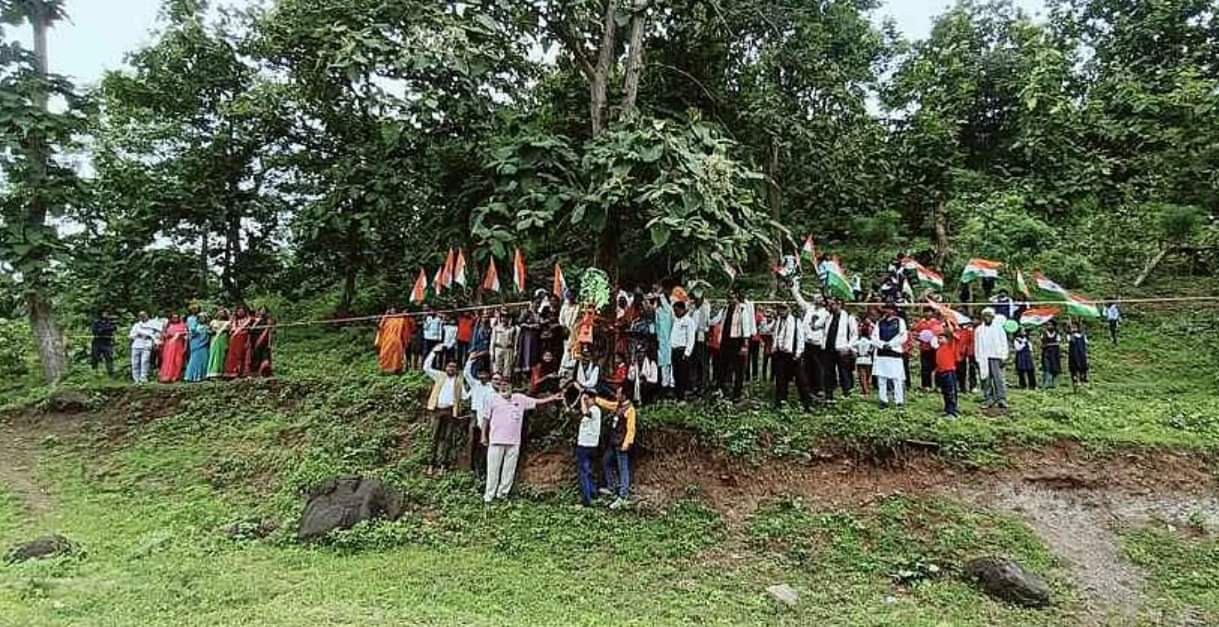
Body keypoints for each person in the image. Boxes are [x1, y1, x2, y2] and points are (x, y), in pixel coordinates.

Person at [481, 379, 560, 502]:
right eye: (501, 385)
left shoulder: (519, 398)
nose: (504, 387)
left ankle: (502, 494)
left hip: (514, 441)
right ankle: (489, 496)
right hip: (496, 440)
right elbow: (485, 419)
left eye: (506, 385)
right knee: (493, 470)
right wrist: (483, 436)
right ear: (498, 387)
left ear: (512, 386)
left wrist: (552, 398)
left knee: (509, 470)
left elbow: (537, 402)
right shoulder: (492, 399)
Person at [423, 344, 469, 476]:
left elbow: (465, 396)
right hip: (437, 410)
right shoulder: (439, 376)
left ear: (457, 369)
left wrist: (478, 389)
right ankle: (431, 464)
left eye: (454, 367)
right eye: (449, 366)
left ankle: (443, 465)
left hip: (450, 412)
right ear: (445, 367)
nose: (451, 369)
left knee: (448, 439)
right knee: (434, 438)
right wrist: (433, 352)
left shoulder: (459, 381)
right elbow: (426, 367)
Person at [595, 386, 637, 510]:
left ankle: (623, 495)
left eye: (618, 393)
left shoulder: (630, 410)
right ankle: (612, 487)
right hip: (614, 442)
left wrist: (627, 443)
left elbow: (631, 428)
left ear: (624, 395)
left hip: (621, 444)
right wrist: (595, 399)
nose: (616, 395)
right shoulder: (618, 405)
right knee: (606, 461)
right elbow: (608, 404)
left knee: (623, 468)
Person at [715, 289, 757, 401]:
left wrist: (745, 344)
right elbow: (717, 322)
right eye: (729, 297)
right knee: (723, 367)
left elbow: (746, 328)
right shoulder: (725, 309)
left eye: (733, 297)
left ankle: (737, 393)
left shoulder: (742, 310)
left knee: (739, 369)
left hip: (737, 341)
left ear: (737, 298)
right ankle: (723, 389)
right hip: (726, 341)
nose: (730, 300)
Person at [790, 277, 827, 400]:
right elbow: (799, 299)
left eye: (820, 297)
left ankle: (820, 388)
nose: (818, 299)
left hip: (817, 343)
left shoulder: (825, 313)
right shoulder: (809, 308)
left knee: (818, 366)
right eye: (816, 297)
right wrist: (794, 287)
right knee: (807, 366)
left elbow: (821, 327)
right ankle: (809, 388)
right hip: (807, 342)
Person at [771, 302, 812, 411]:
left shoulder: (795, 321)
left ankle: (807, 403)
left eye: (783, 309)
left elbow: (800, 338)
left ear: (788, 310)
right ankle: (780, 402)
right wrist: (774, 348)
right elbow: (776, 336)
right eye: (780, 309)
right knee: (780, 380)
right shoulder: (778, 322)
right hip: (780, 354)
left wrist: (798, 353)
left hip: (792, 354)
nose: (781, 311)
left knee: (801, 380)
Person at [464, 351, 498, 482]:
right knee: (473, 440)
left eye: (485, 374)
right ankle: (471, 467)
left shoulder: (491, 388)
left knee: (485, 443)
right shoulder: (475, 384)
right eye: (480, 374)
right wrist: (470, 360)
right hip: (474, 414)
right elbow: (467, 373)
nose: (483, 376)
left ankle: (483, 469)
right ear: (478, 375)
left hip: (487, 416)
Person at [870, 303, 908, 409]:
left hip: (894, 352)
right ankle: (883, 399)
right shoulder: (880, 322)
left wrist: (891, 344)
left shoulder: (899, 321)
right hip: (882, 353)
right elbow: (874, 336)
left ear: (894, 311)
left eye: (890, 309)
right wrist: (881, 344)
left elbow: (903, 336)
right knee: (881, 377)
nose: (888, 311)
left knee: (897, 377)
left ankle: (899, 400)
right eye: (886, 309)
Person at [821, 298, 858, 401]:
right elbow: (819, 327)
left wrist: (848, 347)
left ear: (839, 304)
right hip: (828, 349)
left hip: (842, 350)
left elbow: (854, 335)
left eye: (832, 304)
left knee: (844, 373)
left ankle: (847, 394)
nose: (830, 306)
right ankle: (829, 395)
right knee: (828, 373)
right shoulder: (828, 317)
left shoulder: (849, 318)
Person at [974, 307, 1010, 409]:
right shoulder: (979, 330)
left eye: (989, 316)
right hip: (984, 357)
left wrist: (1004, 356)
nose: (987, 318)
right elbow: (977, 345)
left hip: (996, 356)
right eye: (985, 316)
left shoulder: (998, 328)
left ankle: (1001, 399)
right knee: (985, 379)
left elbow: (1004, 343)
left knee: (999, 379)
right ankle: (988, 399)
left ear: (992, 317)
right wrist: (977, 358)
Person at [575, 391, 602, 506]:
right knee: (589, 471)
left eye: (588, 399)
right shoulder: (592, 411)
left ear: (593, 399)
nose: (586, 401)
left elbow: (586, 413)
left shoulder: (594, 410)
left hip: (587, 445)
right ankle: (593, 493)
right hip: (587, 445)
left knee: (584, 472)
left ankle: (586, 499)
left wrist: (582, 400)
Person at [669, 299, 697, 399]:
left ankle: (683, 394)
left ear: (682, 309)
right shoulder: (676, 321)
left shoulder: (689, 322)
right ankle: (677, 393)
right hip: (674, 350)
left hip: (682, 350)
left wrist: (687, 352)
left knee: (683, 374)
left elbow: (691, 338)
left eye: (677, 310)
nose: (675, 313)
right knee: (676, 373)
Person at [932, 324, 960, 418]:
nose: (939, 340)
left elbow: (952, 335)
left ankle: (952, 411)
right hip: (942, 371)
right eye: (938, 338)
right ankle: (947, 409)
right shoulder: (939, 348)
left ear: (947, 339)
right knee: (945, 392)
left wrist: (948, 325)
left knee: (950, 392)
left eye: (941, 338)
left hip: (949, 372)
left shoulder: (950, 345)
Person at [375, 307, 410, 374]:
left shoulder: (400, 319)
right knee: (384, 355)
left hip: (396, 340)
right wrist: (384, 317)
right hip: (386, 340)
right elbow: (380, 328)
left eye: (394, 310)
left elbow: (406, 329)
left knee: (396, 356)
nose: (392, 311)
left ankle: (396, 370)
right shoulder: (386, 319)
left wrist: (406, 316)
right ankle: (385, 370)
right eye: (391, 310)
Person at [158, 314, 189, 383]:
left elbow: (186, 333)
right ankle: (166, 376)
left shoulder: (182, 325)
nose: (175, 319)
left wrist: (179, 334)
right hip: (169, 345)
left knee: (177, 360)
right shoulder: (168, 325)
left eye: (176, 317)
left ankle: (175, 376)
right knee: (168, 360)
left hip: (178, 345)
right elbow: (164, 334)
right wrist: (167, 335)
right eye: (173, 317)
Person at [128, 311, 157, 384]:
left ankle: (143, 378)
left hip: (147, 344)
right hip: (136, 344)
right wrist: (138, 334)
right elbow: (131, 335)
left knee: (144, 362)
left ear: (147, 315)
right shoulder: (136, 325)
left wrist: (147, 335)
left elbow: (154, 335)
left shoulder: (152, 324)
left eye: (144, 315)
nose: (143, 317)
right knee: (135, 362)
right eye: (141, 316)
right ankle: (136, 379)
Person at [491, 311, 519, 383]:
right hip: (498, 348)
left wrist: (515, 352)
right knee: (497, 368)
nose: (504, 319)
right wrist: (492, 353)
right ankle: (496, 386)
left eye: (506, 317)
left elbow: (515, 341)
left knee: (507, 369)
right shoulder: (496, 328)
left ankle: (505, 387)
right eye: (503, 317)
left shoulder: (513, 329)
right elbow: (492, 341)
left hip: (508, 349)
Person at [224, 306, 252, 378]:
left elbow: (249, 332)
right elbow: (230, 330)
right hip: (234, 340)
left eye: (242, 311)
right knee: (232, 355)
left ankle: (241, 372)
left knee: (241, 355)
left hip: (243, 339)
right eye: (239, 311)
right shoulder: (234, 321)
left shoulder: (248, 320)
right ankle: (231, 372)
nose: (240, 312)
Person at [184, 312, 212, 382]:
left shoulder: (208, 327)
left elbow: (210, 334)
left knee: (204, 360)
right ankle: (192, 376)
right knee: (194, 360)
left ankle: (202, 376)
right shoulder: (195, 326)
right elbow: (191, 335)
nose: (202, 319)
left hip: (204, 346)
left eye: (203, 318)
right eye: (200, 318)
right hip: (196, 346)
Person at [853, 313, 875, 397]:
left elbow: (852, 346)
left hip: (860, 358)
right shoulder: (870, 341)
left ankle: (864, 389)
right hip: (868, 358)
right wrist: (869, 351)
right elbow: (873, 347)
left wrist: (856, 352)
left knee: (862, 374)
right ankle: (867, 388)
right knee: (868, 374)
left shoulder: (858, 341)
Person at [90, 310, 117, 376]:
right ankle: (94, 372)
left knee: (109, 358)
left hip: (107, 342)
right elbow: (96, 331)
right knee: (95, 357)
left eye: (107, 313)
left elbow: (114, 328)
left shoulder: (110, 322)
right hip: (97, 342)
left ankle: (111, 373)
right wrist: (106, 329)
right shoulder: (96, 322)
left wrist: (104, 329)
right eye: (104, 313)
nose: (106, 315)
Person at [249, 307, 274, 377]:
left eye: (264, 310)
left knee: (264, 355)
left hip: (264, 341)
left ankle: (265, 372)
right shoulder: (254, 320)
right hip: (254, 340)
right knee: (255, 356)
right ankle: (255, 372)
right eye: (260, 310)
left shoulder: (267, 320)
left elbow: (270, 331)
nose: (262, 311)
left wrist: (270, 342)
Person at [206, 308, 231, 379]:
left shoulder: (228, 322)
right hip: (214, 340)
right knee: (213, 355)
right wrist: (211, 331)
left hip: (223, 340)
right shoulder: (213, 322)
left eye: (223, 313)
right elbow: (208, 330)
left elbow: (230, 332)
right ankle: (211, 373)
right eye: (220, 312)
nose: (221, 314)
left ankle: (220, 373)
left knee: (221, 355)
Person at [1040, 321, 1062, 389]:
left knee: (1055, 367)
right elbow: (1042, 343)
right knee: (1047, 367)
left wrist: (1049, 344)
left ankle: (1054, 383)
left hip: (1055, 353)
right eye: (1048, 325)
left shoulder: (1057, 334)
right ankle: (1046, 383)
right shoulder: (1044, 334)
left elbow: (1058, 343)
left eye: (1050, 325)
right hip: (1046, 353)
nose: (1049, 326)